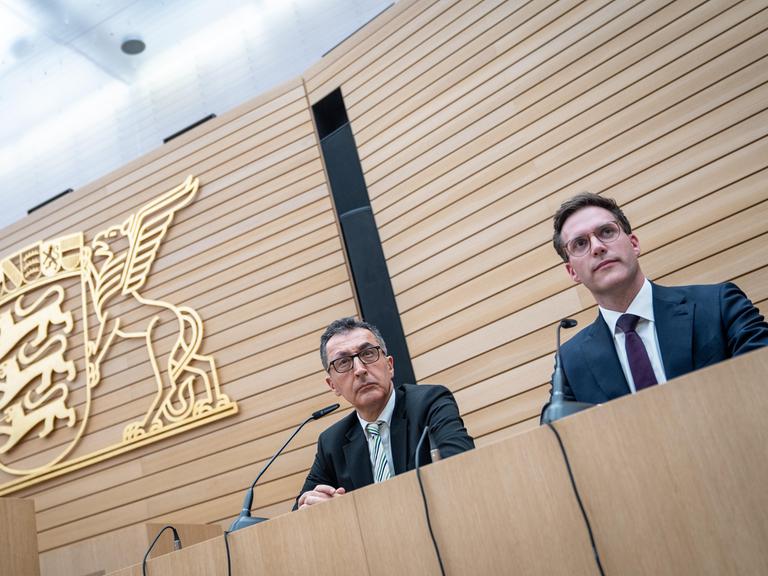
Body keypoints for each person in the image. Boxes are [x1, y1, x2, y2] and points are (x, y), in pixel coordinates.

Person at [543, 192, 768, 407]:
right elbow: (555, 436)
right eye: (580, 244)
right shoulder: (570, 363)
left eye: (606, 232)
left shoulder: (719, 304)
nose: (598, 247)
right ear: (572, 271)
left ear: (634, 244)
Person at [295, 317, 474, 509]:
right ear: (333, 385)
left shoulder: (430, 403)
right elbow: (299, 513)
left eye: (368, 353)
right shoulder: (331, 443)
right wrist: (312, 506)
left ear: (389, 365)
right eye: (343, 362)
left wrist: (350, 509)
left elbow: (463, 470)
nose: (360, 370)